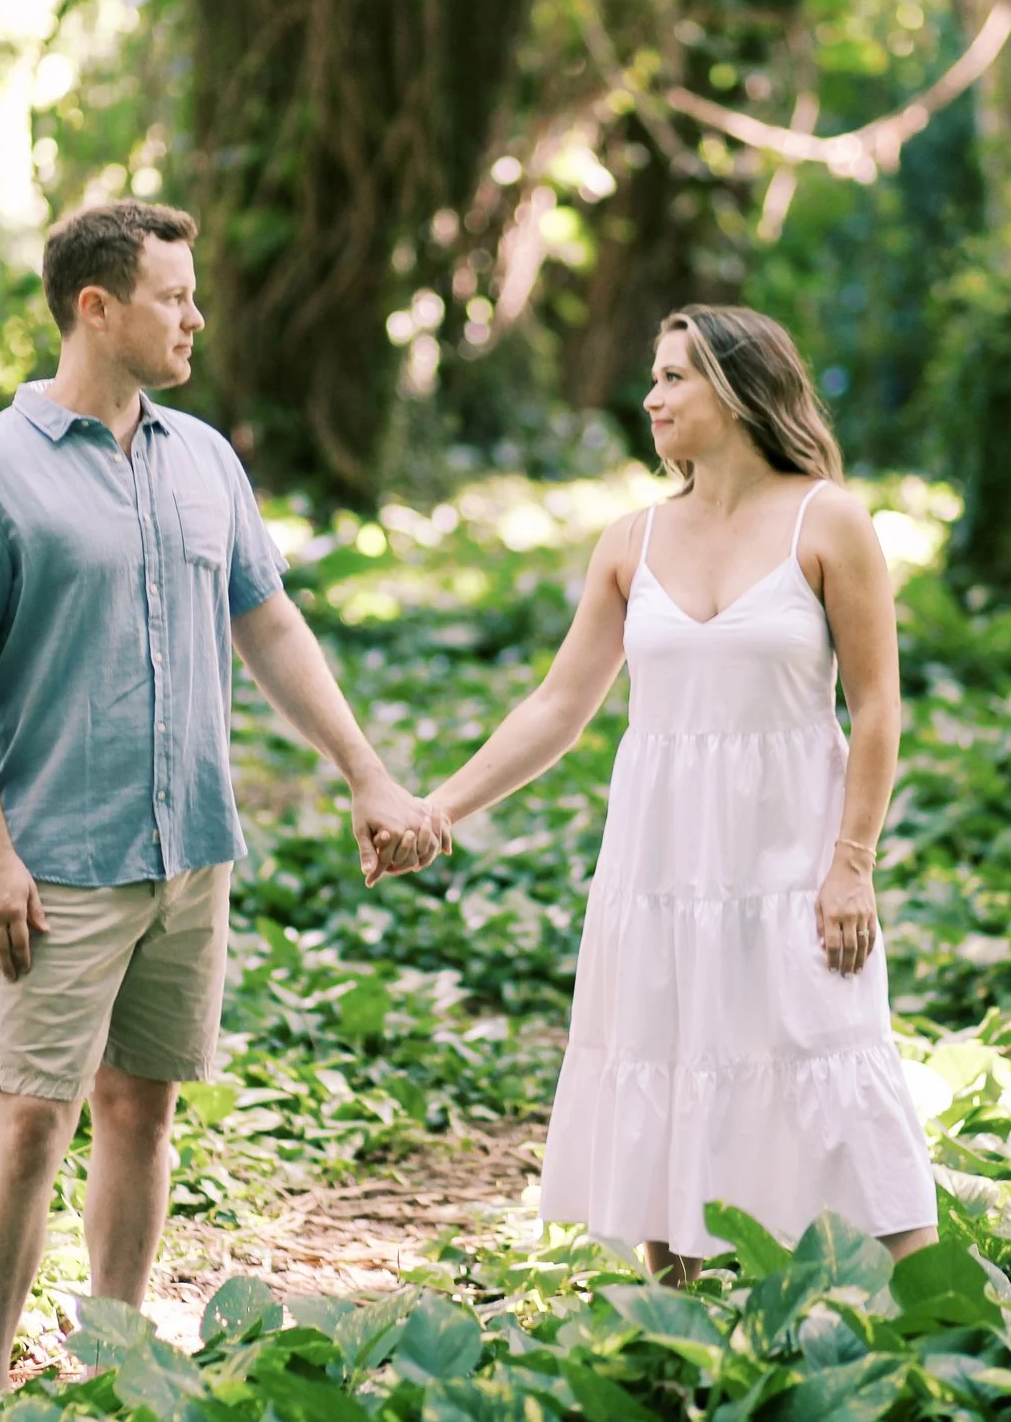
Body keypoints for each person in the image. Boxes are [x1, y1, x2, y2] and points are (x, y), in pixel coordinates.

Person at [0, 199, 449, 1400]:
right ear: (96, 307)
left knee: (140, 1112)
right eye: (173, 295)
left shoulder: (204, 457)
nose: (196, 316)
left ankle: (114, 1357)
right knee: (31, 1121)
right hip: (55, 858)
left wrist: (365, 772)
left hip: (188, 845)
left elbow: (268, 622)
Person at [379, 304, 935, 1279]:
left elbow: (879, 704)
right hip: (661, 862)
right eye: (654, 372)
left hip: (793, 856)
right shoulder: (629, 539)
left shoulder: (827, 518)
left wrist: (852, 864)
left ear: (735, 388)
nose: (651, 395)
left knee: (838, 1069)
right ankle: (674, 1338)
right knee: (670, 1065)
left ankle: (938, 1328)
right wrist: (440, 807)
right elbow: (558, 706)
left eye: (674, 375)